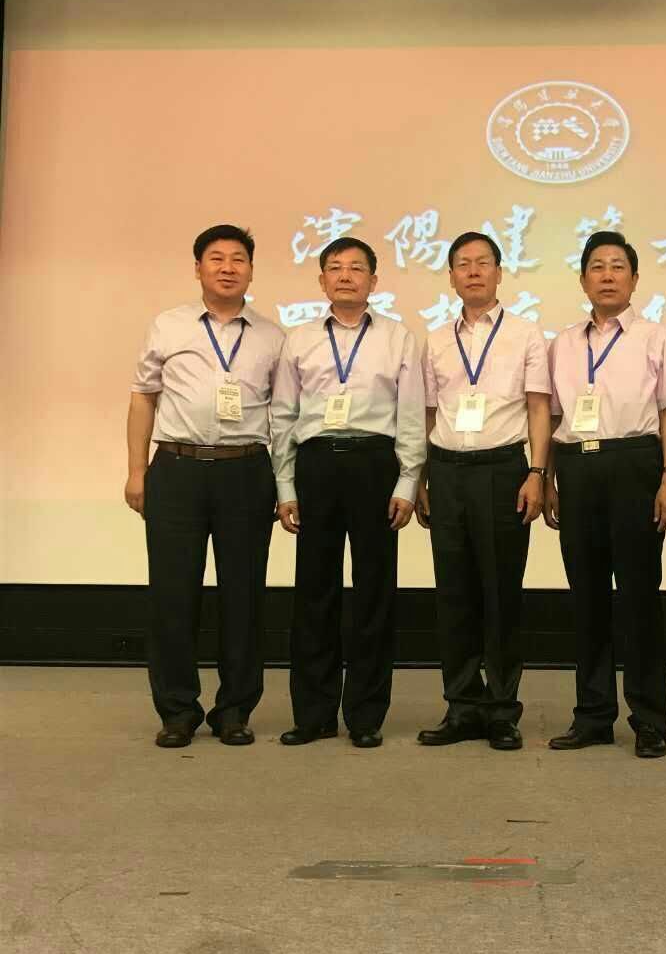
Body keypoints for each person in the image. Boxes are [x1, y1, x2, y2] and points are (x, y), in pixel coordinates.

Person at [125, 224, 284, 749]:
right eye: (216, 258)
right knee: (173, 594)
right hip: (177, 468)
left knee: (244, 595)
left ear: (251, 271)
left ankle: (234, 709)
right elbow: (143, 398)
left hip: (246, 470)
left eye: (238, 258)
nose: (227, 267)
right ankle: (177, 710)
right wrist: (136, 470)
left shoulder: (272, 336)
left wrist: (285, 484)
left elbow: (284, 415)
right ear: (198, 268)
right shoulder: (168, 326)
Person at [271, 237, 425, 749]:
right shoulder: (299, 340)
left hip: (374, 464)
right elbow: (283, 416)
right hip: (315, 464)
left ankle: (365, 715)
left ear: (373, 281)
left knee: (374, 592)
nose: (345, 276)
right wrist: (285, 485)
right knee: (314, 592)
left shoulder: (398, 338)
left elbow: (410, 414)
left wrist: (407, 480)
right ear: (321, 281)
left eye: (357, 268)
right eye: (335, 268)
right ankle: (313, 713)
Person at [544, 230, 666, 757]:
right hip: (576, 468)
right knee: (585, 597)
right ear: (582, 280)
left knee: (639, 596)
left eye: (617, 266)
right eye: (597, 267)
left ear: (635, 278)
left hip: (635, 465)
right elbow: (552, 416)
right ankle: (592, 715)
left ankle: (650, 719)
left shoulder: (655, 337)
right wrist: (549, 477)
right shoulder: (562, 343)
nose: (607, 276)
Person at [415, 232, 552, 751]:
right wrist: (421, 477)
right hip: (447, 469)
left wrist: (537, 472)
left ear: (499, 272)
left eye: (483, 263)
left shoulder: (525, 333)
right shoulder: (435, 339)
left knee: (500, 593)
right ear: (451, 276)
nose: (473, 271)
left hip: (502, 470)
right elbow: (429, 413)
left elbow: (538, 407)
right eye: (463, 264)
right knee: (454, 594)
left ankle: (501, 710)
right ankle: (461, 706)